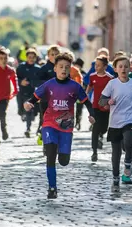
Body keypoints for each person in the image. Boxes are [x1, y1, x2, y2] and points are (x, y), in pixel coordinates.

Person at [23, 52, 95, 199]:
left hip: (66, 127)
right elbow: (35, 97)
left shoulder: (75, 86)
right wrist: (29, 103)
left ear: (71, 70)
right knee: (50, 155)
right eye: (61, 67)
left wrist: (91, 114)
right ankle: (52, 188)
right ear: (55, 68)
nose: (64, 70)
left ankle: (62, 155)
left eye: (67, 67)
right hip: (49, 124)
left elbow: (86, 102)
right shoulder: (49, 84)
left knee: (63, 161)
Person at [99, 56, 132, 191]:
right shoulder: (112, 84)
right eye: (120, 66)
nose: (123, 69)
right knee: (115, 154)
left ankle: (128, 163)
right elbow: (101, 101)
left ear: (130, 68)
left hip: (130, 119)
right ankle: (115, 179)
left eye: (126, 66)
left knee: (129, 141)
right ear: (115, 69)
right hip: (115, 122)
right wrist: (108, 102)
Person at [85, 55, 113, 162]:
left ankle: (102, 134)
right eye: (95, 65)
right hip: (95, 106)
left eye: (99, 65)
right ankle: (94, 152)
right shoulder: (93, 76)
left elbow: (112, 92)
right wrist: (86, 94)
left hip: (105, 107)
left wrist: (109, 103)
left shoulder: (110, 78)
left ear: (105, 66)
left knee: (104, 128)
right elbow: (90, 86)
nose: (96, 67)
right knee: (95, 129)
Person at [36, 45, 60, 145]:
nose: (54, 56)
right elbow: (37, 81)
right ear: (48, 56)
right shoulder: (44, 68)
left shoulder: (62, 67)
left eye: (56, 54)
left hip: (60, 100)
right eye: (52, 54)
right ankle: (45, 142)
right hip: (46, 99)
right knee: (46, 121)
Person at [16, 48, 41, 138]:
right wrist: (20, 82)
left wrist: (32, 83)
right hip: (21, 92)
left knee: (29, 111)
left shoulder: (38, 69)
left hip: (32, 93)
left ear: (35, 58)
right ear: (26, 57)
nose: (31, 59)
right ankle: (25, 116)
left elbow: (40, 81)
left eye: (33, 57)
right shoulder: (21, 67)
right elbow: (15, 78)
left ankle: (28, 128)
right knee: (21, 111)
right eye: (29, 57)